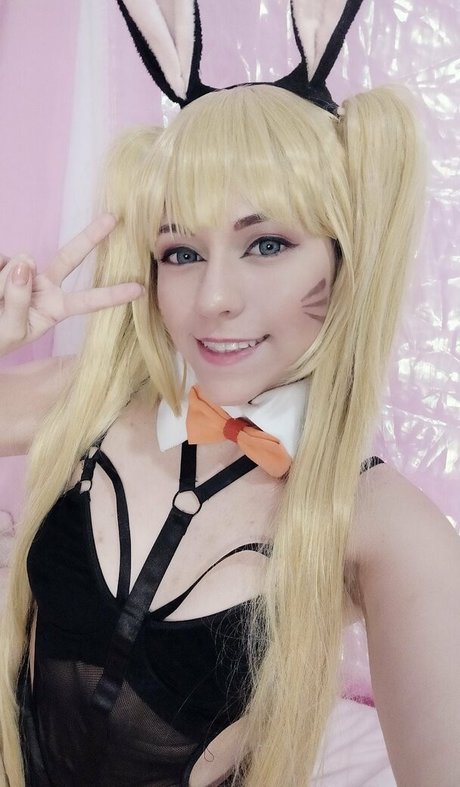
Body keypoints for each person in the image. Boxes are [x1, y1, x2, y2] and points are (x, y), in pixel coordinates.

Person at [1, 6, 460, 787]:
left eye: (267, 244)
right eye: (181, 251)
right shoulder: (92, 398)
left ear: (344, 259)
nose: (213, 298)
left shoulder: (383, 524)